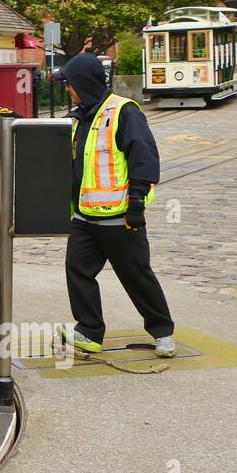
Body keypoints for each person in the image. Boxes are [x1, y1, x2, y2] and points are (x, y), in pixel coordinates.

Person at [53, 53, 176, 358]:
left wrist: (136, 205)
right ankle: (89, 332)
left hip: (120, 218)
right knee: (77, 271)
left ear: (83, 83)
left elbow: (144, 159)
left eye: (70, 84)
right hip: (84, 216)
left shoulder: (124, 112)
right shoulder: (79, 115)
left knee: (136, 275)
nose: (68, 90)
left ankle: (163, 332)